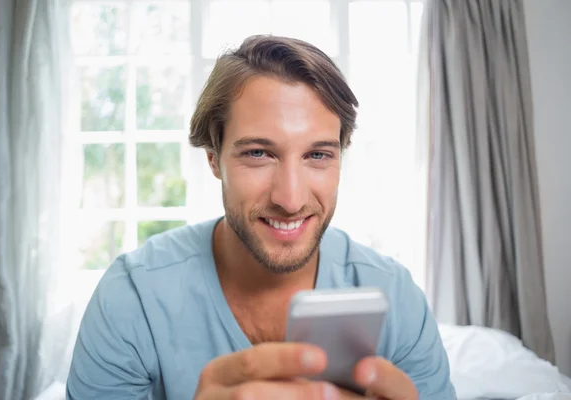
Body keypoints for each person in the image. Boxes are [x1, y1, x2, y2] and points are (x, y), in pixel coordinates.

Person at [66, 35, 456, 400]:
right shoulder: (132, 297)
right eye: (258, 153)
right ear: (214, 158)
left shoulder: (397, 299)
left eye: (318, 155)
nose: (290, 199)